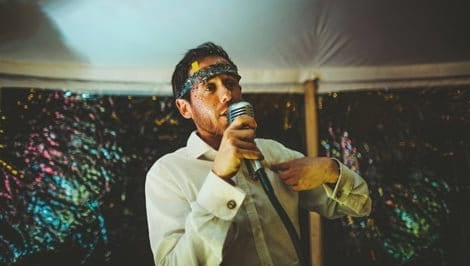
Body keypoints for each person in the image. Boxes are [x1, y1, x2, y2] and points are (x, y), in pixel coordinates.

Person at [144, 42, 371, 265]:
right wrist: (219, 179)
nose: (226, 95)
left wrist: (331, 171)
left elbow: (360, 204)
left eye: (230, 83)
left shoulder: (273, 152)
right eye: (209, 88)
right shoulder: (168, 173)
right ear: (185, 108)